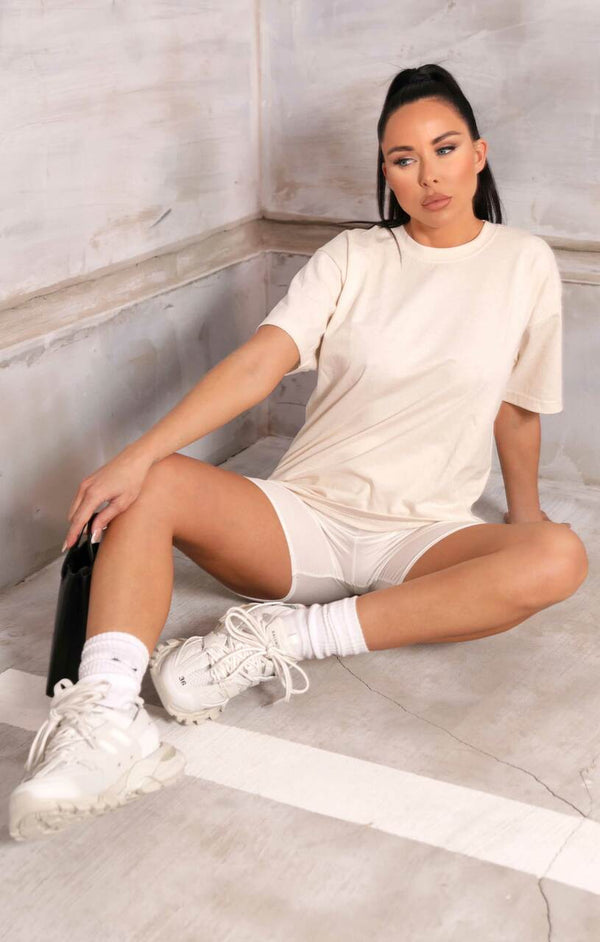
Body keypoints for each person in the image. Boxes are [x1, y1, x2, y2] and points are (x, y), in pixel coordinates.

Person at [9, 63, 588, 842]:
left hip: (423, 536)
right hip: (303, 520)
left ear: (479, 155)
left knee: (558, 557)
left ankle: (279, 639)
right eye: (403, 158)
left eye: (445, 149)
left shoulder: (523, 263)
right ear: (385, 172)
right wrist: (136, 456)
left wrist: (526, 516)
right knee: (155, 481)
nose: (428, 175)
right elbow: (260, 364)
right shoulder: (355, 258)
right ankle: (110, 723)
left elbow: (518, 408)